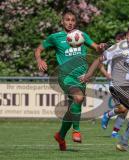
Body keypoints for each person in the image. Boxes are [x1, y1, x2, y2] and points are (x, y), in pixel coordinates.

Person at [34, 8, 105, 151]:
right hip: (66, 77)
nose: (70, 23)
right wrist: (39, 60)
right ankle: (76, 130)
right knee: (78, 98)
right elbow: (38, 49)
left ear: (76, 22)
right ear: (62, 21)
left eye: (73, 20)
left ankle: (60, 136)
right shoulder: (55, 37)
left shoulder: (81, 35)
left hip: (81, 78)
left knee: (72, 109)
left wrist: (101, 47)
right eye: (67, 20)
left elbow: (96, 47)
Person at [100, 31, 129, 138]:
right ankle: (107, 115)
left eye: (122, 38)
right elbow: (99, 64)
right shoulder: (113, 49)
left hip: (126, 84)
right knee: (123, 109)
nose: (120, 41)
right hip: (114, 84)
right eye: (118, 39)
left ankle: (114, 133)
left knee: (125, 110)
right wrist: (106, 74)